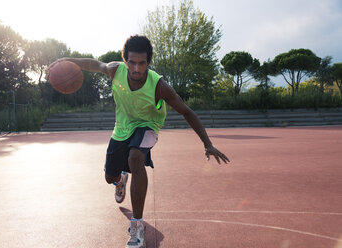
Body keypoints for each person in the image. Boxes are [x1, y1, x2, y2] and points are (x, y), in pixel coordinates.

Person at [48, 35, 230, 248]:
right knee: (109, 177)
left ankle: (137, 227)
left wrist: (207, 143)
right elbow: (93, 63)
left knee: (136, 157)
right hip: (122, 127)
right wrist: (65, 61)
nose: (136, 68)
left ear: (148, 62)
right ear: (125, 60)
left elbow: (187, 111)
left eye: (141, 63)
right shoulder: (116, 70)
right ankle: (119, 181)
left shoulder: (159, 86)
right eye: (132, 62)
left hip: (148, 125)